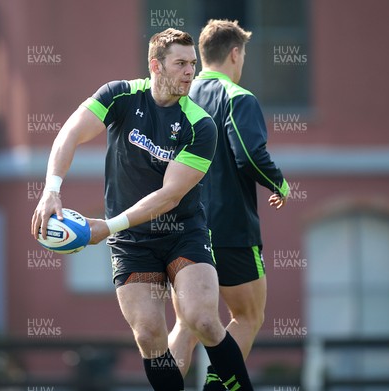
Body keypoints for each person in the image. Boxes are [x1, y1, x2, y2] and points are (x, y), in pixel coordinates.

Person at [31, 28, 255, 391]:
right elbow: (69, 133)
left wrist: (109, 225)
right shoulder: (120, 95)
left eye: (193, 64)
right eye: (180, 63)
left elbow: (169, 195)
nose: (189, 72)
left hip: (183, 233)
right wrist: (50, 191)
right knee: (150, 334)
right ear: (156, 65)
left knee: (203, 319)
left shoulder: (200, 124)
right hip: (132, 242)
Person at [167, 20, 289, 390]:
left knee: (186, 325)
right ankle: (218, 385)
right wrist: (278, 182)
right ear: (235, 53)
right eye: (243, 55)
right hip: (230, 230)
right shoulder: (238, 96)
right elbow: (249, 155)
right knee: (248, 315)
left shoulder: (178, 100)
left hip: (181, 231)